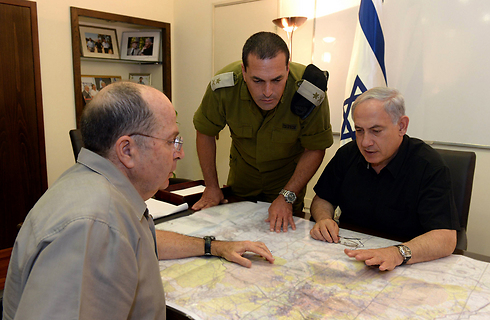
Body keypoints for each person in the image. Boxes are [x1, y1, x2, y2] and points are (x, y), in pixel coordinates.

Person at [2, 82, 274, 319]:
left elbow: (140, 238)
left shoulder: (94, 189)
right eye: (171, 141)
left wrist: (214, 246)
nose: (178, 154)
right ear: (127, 150)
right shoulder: (94, 226)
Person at [192, 31, 333, 233]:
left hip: (287, 183)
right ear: (244, 70)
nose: (268, 92)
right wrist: (212, 186)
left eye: (277, 80)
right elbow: (205, 131)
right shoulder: (224, 87)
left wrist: (287, 196)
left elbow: (315, 148)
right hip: (242, 183)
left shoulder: (309, 91)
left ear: (287, 67)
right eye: (257, 81)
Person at [309, 87, 460, 271]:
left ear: (402, 126)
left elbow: (446, 238)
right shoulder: (348, 154)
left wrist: (397, 253)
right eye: (359, 130)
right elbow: (323, 198)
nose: (365, 142)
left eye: (376, 131)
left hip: (407, 264)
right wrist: (324, 218)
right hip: (350, 257)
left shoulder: (429, 166)